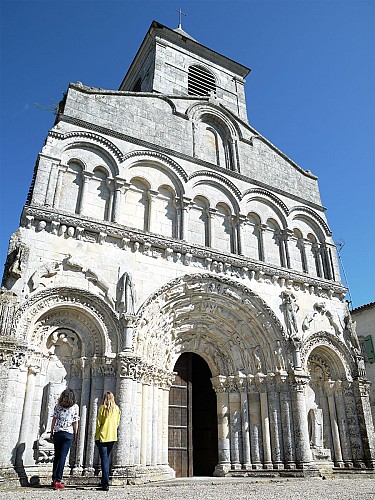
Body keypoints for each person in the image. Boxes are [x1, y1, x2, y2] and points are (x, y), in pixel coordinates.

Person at [50, 388, 79, 489]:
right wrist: (76, 434)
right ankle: (58, 480)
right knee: (62, 457)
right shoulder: (75, 407)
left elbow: (54, 419)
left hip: (58, 432)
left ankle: (54, 479)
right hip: (68, 433)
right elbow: (75, 421)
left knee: (57, 456)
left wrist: (51, 431)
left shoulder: (58, 406)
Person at [95, 392, 121, 491]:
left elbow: (98, 424)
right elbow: (117, 423)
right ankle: (104, 481)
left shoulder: (102, 408)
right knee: (106, 458)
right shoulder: (117, 409)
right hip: (112, 437)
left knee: (104, 460)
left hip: (102, 436)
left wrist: (96, 436)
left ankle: (105, 484)